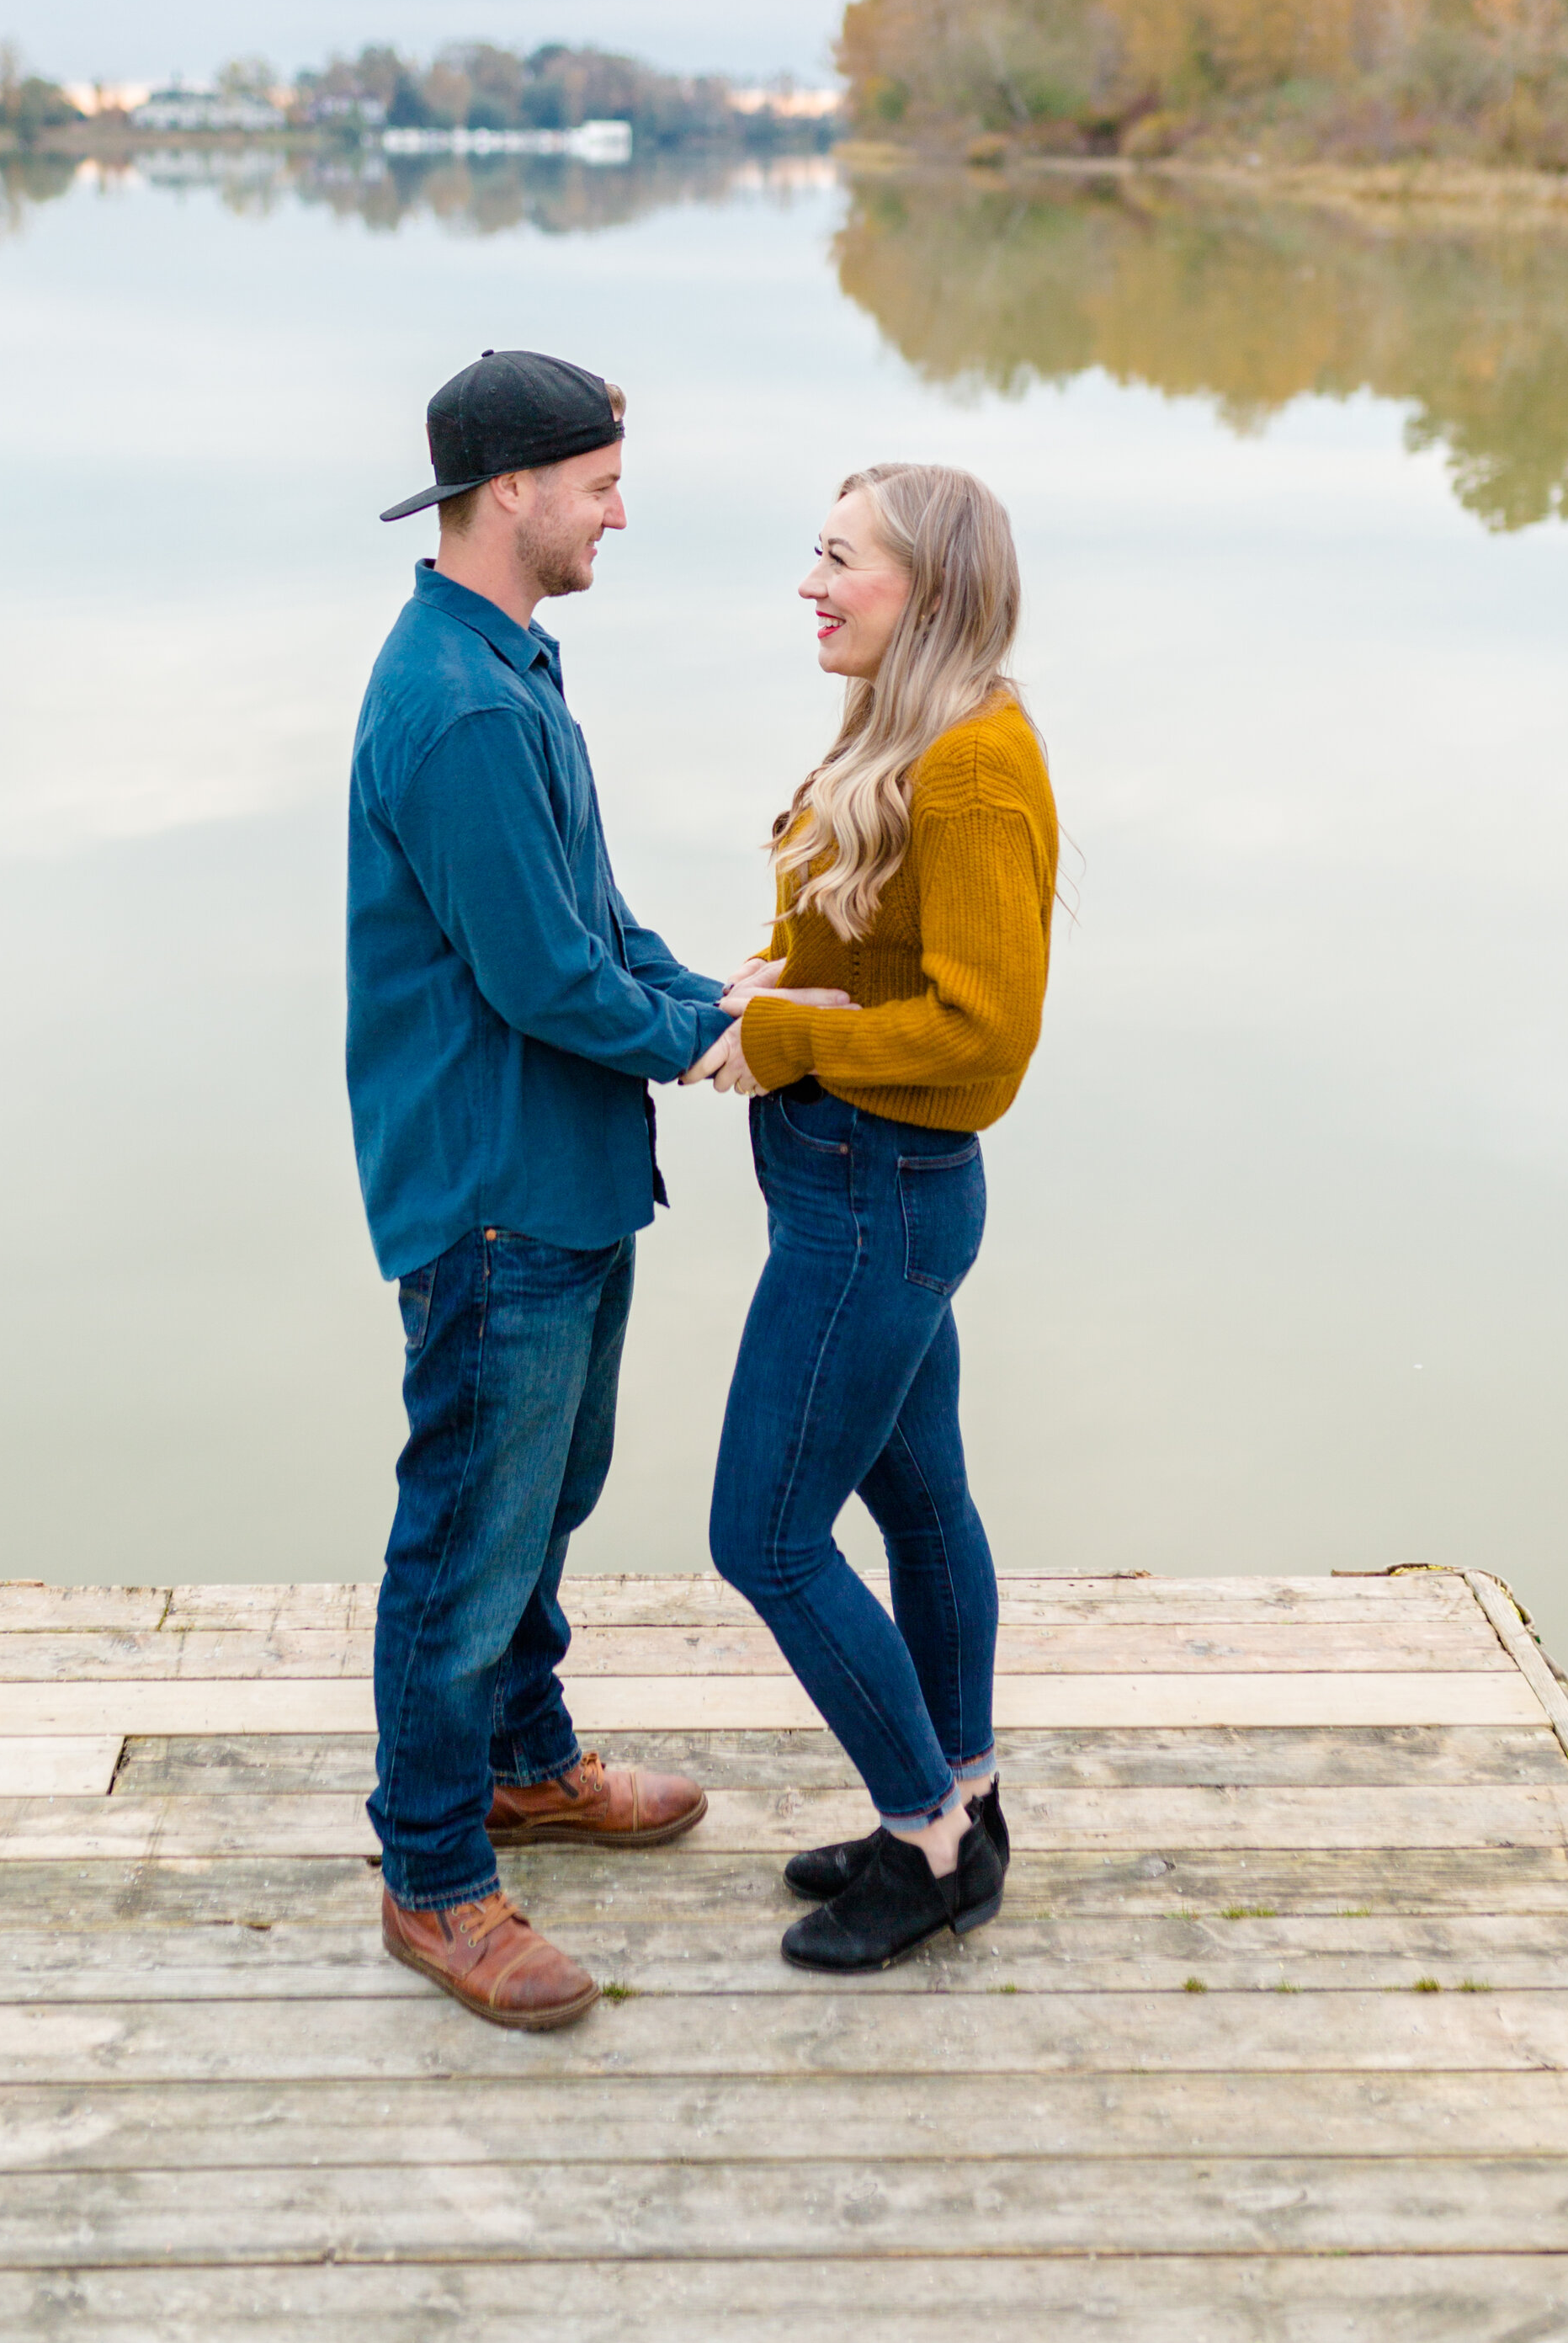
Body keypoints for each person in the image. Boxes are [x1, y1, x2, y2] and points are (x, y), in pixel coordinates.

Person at [348, 349, 847, 2031]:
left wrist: (728, 1000)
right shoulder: (464, 706)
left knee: (540, 1500)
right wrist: (720, 1058)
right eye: (598, 484)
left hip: (557, 1177)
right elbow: (546, 987)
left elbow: (594, 928)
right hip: (495, 1187)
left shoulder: (508, 664)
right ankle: (434, 1877)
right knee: (466, 1541)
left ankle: (522, 1763)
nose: (616, 512)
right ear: (512, 492)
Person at [699, 461, 1058, 1972]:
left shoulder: (974, 762)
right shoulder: (901, 730)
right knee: (917, 1506)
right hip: (854, 1190)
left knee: (767, 1535)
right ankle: (964, 1810)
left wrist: (791, 1040)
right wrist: (768, 985)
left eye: (842, 559)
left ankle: (917, 1833)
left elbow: (981, 1041)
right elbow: (869, 960)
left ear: (929, 587)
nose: (812, 582)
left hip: (877, 1199)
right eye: (817, 553)